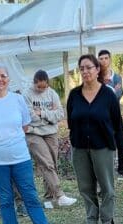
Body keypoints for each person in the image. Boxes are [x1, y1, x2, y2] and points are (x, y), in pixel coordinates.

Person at [0, 62, 70, 224]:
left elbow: (25, 126)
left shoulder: (17, 100)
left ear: (8, 79)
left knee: (30, 196)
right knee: (6, 199)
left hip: (19, 157)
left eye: (3, 76)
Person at [67, 54, 123, 224]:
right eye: (81, 68)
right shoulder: (74, 95)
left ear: (97, 69)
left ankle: (107, 222)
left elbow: (117, 125)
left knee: (107, 186)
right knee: (85, 186)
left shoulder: (108, 94)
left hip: (103, 147)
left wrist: (119, 151)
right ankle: (91, 221)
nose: (85, 71)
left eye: (89, 67)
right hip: (80, 148)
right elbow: (71, 121)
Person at [23, 70, 77, 209]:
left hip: (51, 133)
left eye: (44, 87)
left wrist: (41, 113)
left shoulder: (52, 93)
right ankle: (60, 195)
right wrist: (49, 117)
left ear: (47, 84)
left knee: (52, 164)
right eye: (38, 87)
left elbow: (59, 114)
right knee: (47, 163)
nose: (41, 89)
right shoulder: (26, 95)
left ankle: (49, 198)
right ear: (34, 83)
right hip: (33, 133)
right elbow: (29, 117)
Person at [98, 49, 123, 177]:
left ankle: (122, 168)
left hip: (115, 114)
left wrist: (110, 92)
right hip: (101, 116)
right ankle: (106, 167)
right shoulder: (97, 77)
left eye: (106, 58)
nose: (104, 61)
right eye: (101, 58)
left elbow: (119, 94)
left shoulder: (116, 77)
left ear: (110, 59)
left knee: (120, 140)